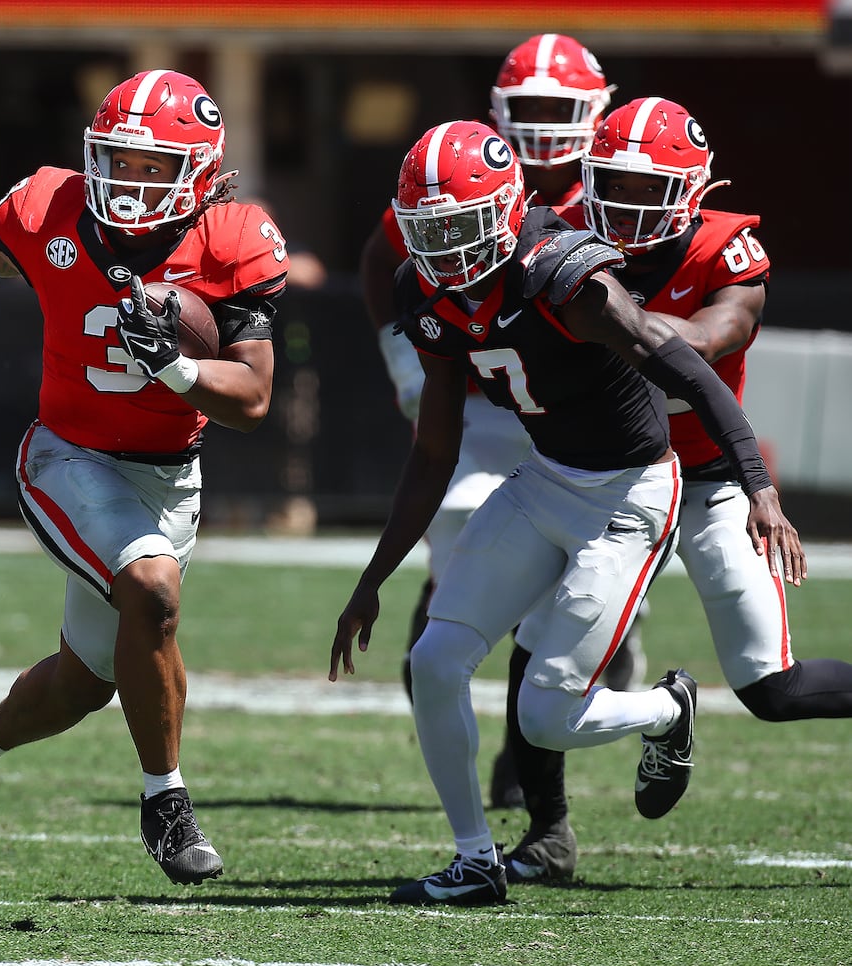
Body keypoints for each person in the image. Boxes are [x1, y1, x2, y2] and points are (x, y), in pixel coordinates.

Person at [329, 119, 803, 907]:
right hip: (546, 478)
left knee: (546, 715)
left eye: (459, 226)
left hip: (628, 496)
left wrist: (757, 485)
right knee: (434, 661)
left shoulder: (563, 277)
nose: (443, 247)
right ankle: (473, 860)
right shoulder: (427, 291)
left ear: (507, 210)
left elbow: (687, 369)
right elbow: (433, 448)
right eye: (428, 230)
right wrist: (372, 577)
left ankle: (666, 707)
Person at [0, 69, 287, 885]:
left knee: (84, 683)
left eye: (155, 167)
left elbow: (253, 397)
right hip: (65, 457)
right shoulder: (48, 204)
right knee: (150, 592)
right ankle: (165, 802)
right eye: (118, 159)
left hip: (167, 475)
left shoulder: (233, 235)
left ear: (202, 171)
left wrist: (179, 371)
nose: (130, 180)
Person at [502, 97, 852, 884]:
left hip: (706, 480)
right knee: (532, 651)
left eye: (646, 187)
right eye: (611, 183)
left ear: (693, 193)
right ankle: (546, 833)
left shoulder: (725, 256)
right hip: (610, 481)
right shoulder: (554, 229)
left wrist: (595, 306)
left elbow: (694, 343)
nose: (623, 207)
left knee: (772, 687)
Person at [359, 33, 642, 813]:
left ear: (598, 109)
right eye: (532, 109)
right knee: (462, 541)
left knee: (577, 592)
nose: (547, 125)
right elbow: (377, 258)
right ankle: (452, 615)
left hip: (588, 418)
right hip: (485, 404)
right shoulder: (459, 170)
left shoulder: (617, 180)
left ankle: (556, 730)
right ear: (496, 113)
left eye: (562, 109)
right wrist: (404, 360)